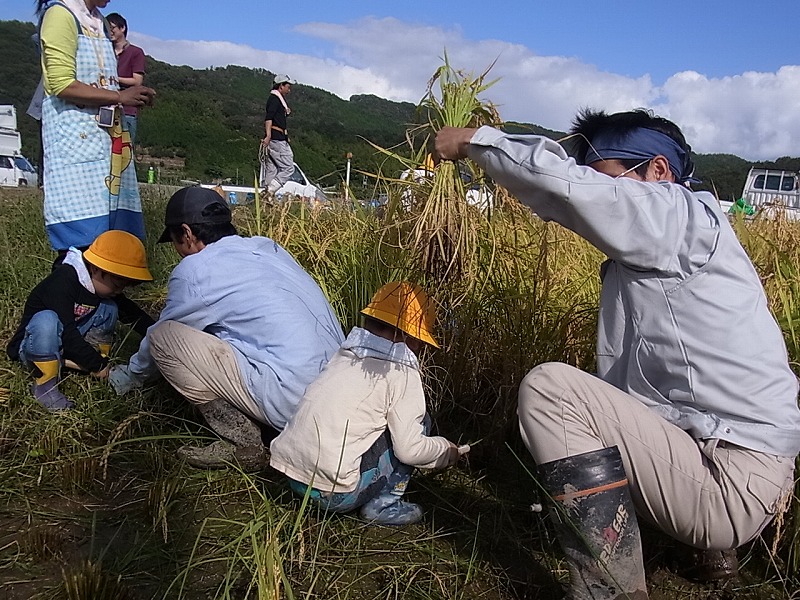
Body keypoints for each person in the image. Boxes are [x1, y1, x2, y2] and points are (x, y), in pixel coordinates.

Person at [435, 110, 800, 598]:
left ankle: (611, 591)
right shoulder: (668, 250)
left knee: (551, 391)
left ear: (659, 171)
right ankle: (705, 552)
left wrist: (477, 142)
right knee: (608, 399)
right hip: (729, 458)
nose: (601, 193)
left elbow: (567, 187)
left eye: (609, 179)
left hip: (731, 476)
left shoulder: (679, 216)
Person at [108, 187, 345, 470]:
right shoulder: (268, 247)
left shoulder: (195, 270)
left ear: (186, 233)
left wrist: (129, 376)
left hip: (294, 402)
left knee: (163, 339)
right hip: (338, 392)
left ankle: (243, 442)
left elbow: (160, 337)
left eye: (175, 242)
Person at [270, 281, 464, 525]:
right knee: (419, 423)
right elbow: (409, 449)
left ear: (369, 320)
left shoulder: (345, 355)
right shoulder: (402, 373)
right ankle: (383, 506)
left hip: (291, 476)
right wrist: (445, 450)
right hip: (335, 495)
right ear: (414, 338)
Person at [34, 0, 156, 261]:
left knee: (111, 244)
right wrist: (121, 97)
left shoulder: (98, 21)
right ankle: (68, 298)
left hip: (105, 140)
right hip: (74, 139)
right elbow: (61, 83)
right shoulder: (60, 15)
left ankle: (103, 301)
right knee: (80, 245)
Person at [7, 230, 154, 411]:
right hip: (36, 347)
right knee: (47, 320)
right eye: (117, 285)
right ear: (95, 268)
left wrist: (157, 330)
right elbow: (67, 332)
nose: (119, 291)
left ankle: (90, 357)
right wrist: (99, 366)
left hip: (67, 341)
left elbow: (131, 313)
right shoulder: (63, 282)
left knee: (110, 306)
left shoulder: (98, 283)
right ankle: (45, 385)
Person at [106, 12, 146, 146]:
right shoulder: (105, 51)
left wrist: (114, 79)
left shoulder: (136, 52)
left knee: (125, 151)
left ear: (122, 28)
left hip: (127, 109)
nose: (109, 32)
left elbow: (137, 81)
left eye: (112, 28)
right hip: (105, 107)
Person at [260, 74, 297, 195]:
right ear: (281, 86)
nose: (289, 89)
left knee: (273, 168)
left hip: (277, 137)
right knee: (288, 167)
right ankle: (269, 191)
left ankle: (266, 201)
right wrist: (268, 135)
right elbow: (269, 117)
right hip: (276, 138)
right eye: (288, 86)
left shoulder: (276, 100)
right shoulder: (275, 99)